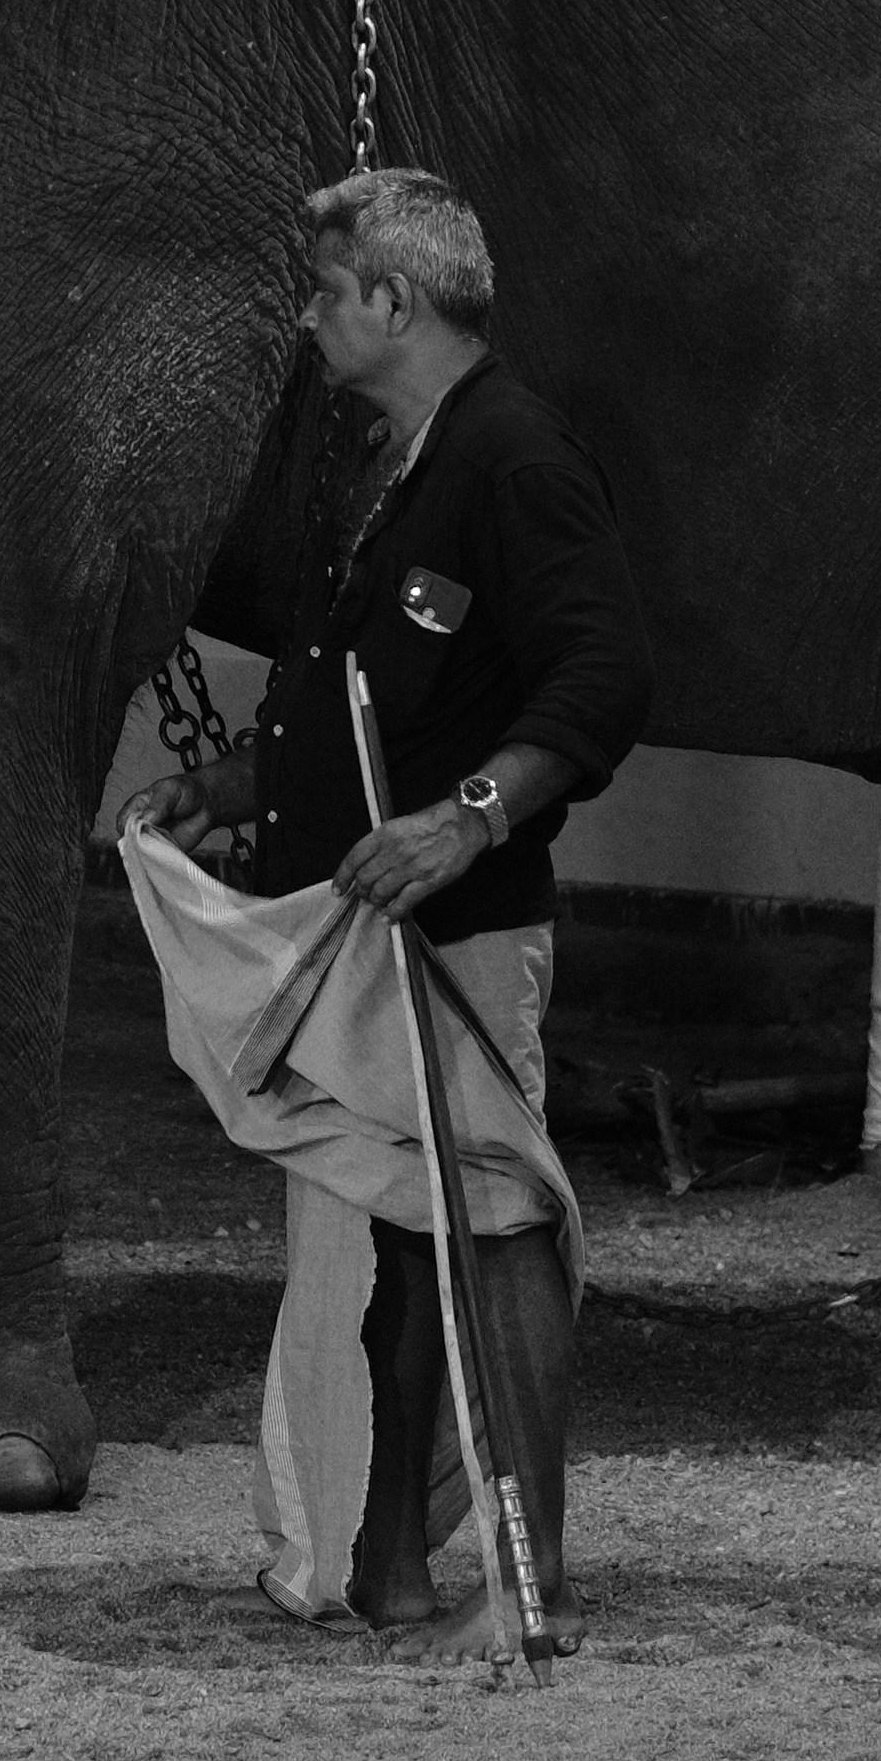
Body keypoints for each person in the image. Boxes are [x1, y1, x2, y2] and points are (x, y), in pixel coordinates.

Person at [131, 166, 648, 1637]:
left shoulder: (515, 460)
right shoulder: (399, 459)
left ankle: (528, 1577)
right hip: (353, 927)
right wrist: (230, 791)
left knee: (491, 1225)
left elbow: (603, 680)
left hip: (455, 932)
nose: (307, 319)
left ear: (393, 301)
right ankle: (385, 1552)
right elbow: (367, 693)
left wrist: (467, 819)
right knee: (388, 1240)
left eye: (322, 290)